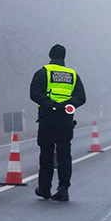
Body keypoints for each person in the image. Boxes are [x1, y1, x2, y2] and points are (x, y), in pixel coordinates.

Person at [28, 44, 85, 201]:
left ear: (50, 56)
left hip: (47, 118)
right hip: (66, 119)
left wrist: (51, 104)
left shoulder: (43, 72)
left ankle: (44, 188)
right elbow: (81, 97)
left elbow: (34, 94)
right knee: (64, 153)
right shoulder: (73, 75)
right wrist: (68, 104)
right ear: (64, 57)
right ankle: (63, 189)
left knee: (46, 153)